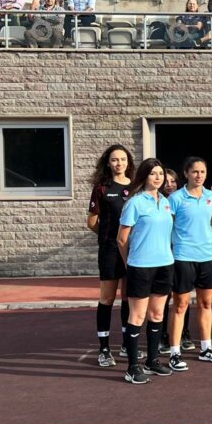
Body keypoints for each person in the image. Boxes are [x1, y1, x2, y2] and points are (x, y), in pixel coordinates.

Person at [116, 158, 175, 383]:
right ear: (144, 176)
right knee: (138, 316)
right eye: (153, 173)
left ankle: (152, 361)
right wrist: (129, 263)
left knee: (157, 314)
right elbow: (122, 239)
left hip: (165, 264)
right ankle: (132, 367)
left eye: (161, 173)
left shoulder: (166, 202)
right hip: (140, 266)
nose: (158, 177)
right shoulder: (135, 203)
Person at [168, 157, 212, 368]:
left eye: (202, 172)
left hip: (207, 256)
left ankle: (206, 348)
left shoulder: (211, 196)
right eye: (195, 172)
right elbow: (166, 226)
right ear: (186, 174)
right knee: (181, 305)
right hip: (183, 256)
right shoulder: (175, 198)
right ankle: (175, 352)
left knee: (206, 304)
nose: (199, 175)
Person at [87, 145, 135, 368]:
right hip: (110, 250)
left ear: (128, 162)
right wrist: (109, 236)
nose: (119, 163)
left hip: (133, 249)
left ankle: (126, 344)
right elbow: (92, 222)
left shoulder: (136, 187)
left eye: (123, 159)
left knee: (128, 297)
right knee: (107, 298)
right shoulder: (102, 188)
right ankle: (104, 349)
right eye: (115, 160)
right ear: (108, 163)